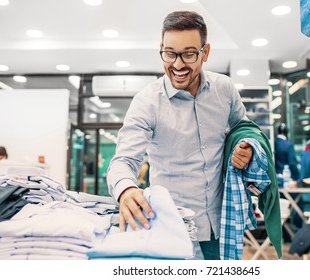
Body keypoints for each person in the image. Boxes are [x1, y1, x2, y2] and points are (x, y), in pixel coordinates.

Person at [107, 11, 253, 260]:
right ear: (161, 50)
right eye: (170, 53)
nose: (177, 64)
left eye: (188, 54)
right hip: (171, 226)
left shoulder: (224, 89)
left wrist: (246, 146)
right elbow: (123, 160)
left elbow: (244, 128)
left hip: (223, 223)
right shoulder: (147, 102)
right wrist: (127, 190)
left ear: (205, 53)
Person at [274, 123, 300, 188]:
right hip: (287, 179)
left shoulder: (273, 144)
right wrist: (298, 178)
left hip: (274, 178)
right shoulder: (288, 145)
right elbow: (292, 163)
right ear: (287, 132)